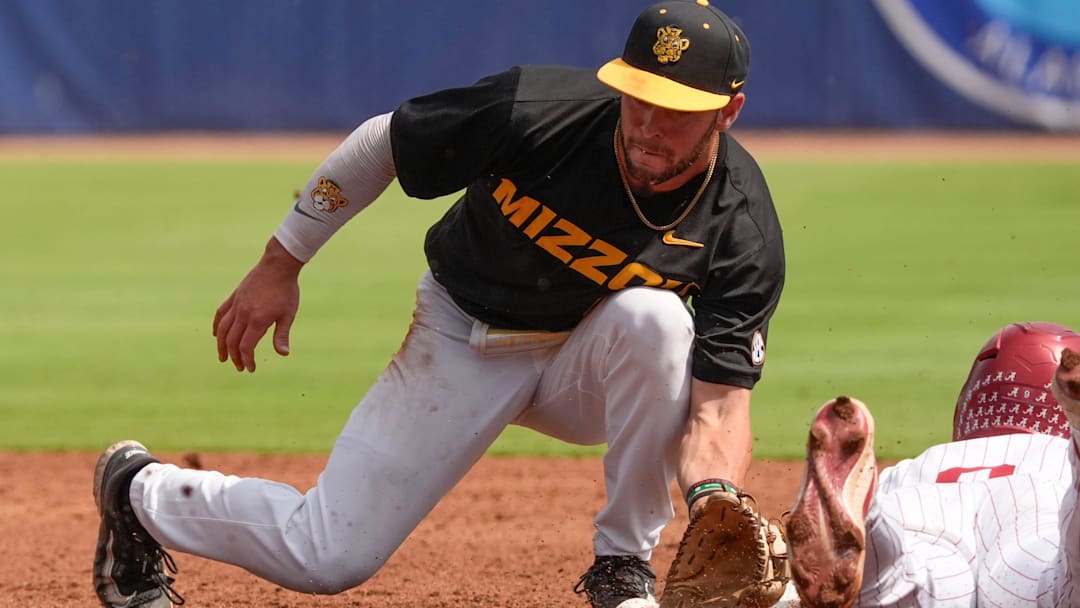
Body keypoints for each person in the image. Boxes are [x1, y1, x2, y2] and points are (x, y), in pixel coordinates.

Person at [90, 1, 785, 607]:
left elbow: (720, 406)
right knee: (326, 557)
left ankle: (622, 564)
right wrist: (282, 262)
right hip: (464, 335)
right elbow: (382, 144)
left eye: (679, 111)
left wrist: (714, 499)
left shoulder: (740, 228)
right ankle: (138, 492)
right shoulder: (537, 112)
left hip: (585, 367)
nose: (649, 125)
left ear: (729, 112)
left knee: (657, 320)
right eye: (639, 98)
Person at [785, 321, 1080, 608]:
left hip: (922, 506)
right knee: (1054, 581)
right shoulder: (1052, 451)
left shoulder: (916, 465)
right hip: (1031, 509)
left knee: (899, 580)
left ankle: (872, 535)